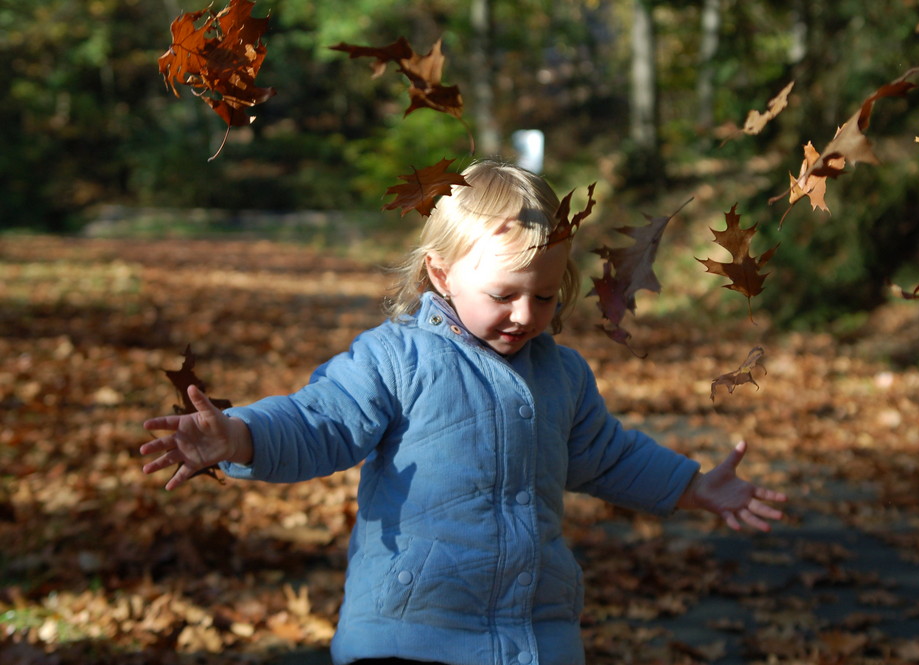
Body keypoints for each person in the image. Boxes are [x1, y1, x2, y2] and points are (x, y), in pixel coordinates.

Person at [140, 159, 787, 665]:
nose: (526, 315)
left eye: (543, 295)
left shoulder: (560, 373)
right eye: (504, 294)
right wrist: (240, 434)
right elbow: (321, 420)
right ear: (442, 274)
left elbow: (605, 454)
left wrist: (691, 486)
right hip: (410, 632)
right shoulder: (396, 358)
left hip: (534, 633)